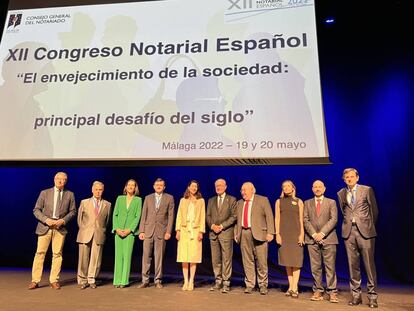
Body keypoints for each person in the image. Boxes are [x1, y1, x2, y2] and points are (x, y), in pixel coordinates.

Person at [337, 168, 379, 308]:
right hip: (349, 232)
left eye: (352, 176)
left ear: (357, 177)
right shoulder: (341, 193)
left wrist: (368, 226)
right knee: (352, 266)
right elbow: (344, 211)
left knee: (369, 265)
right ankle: (356, 296)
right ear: (344, 179)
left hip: (365, 232)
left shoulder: (366, 190)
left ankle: (372, 297)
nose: (349, 179)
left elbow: (374, 211)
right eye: (347, 177)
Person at [28, 172, 76, 290]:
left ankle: (54, 280)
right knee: (40, 253)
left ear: (66, 181)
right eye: (58, 179)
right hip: (45, 226)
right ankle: (35, 280)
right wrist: (46, 220)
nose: (60, 181)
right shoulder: (44, 193)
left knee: (57, 254)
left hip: (60, 228)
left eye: (63, 179)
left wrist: (63, 221)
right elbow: (36, 210)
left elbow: (73, 211)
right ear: (54, 179)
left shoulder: (70, 194)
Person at [235, 182, 274, 295]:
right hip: (244, 233)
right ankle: (250, 284)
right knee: (247, 261)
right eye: (242, 190)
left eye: (245, 190)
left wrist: (271, 232)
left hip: (260, 234)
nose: (243, 192)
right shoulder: (239, 203)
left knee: (261, 261)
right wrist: (236, 233)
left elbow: (269, 217)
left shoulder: (262, 200)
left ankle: (262, 285)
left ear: (253, 190)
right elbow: (237, 220)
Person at [304, 180, 339, 303]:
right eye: (315, 187)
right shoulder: (307, 203)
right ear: (312, 189)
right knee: (315, 267)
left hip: (328, 239)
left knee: (330, 267)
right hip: (312, 239)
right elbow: (305, 220)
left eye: (320, 187)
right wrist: (314, 235)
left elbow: (333, 219)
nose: (317, 189)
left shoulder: (331, 202)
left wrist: (322, 234)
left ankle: (332, 291)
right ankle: (318, 290)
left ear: (324, 189)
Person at [138, 178, 175, 289]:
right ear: (154, 186)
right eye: (157, 184)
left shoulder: (169, 198)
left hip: (161, 232)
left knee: (159, 257)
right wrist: (141, 231)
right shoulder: (148, 198)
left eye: (161, 185)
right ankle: (145, 280)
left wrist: (168, 231)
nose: (159, 186)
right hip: (148, 231)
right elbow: (143, 215)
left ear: (164, 187)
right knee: (146, 257)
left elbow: (171, 216)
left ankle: (158, 280)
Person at [76, 181, 112, 289]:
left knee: (96, 259)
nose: (98, 192)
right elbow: (79, 219)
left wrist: (101, 230)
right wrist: (84, 229)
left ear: (103, 191)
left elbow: (107, 221)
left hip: (99, 233)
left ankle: (91, 279)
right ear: (92, 190)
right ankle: (82, 280)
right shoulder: (84, 202)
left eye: (100, 190)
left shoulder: (107, 204)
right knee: (83, 258)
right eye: (96, 189)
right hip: (85, 233)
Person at [206, 178, 237, 293]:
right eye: (216, 186)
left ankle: (226, 283)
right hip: (213, 234)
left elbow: (234, 216)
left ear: (225, 187)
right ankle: (218, 282)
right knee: (216, 259)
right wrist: (213, 226)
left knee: (226, 259)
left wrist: (222, 226)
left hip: (226, 233)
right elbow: (207, 216)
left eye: (220, 185)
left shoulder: (232, 199)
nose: (218, 187)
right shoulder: (211, 200)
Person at [275, 180, 304, 298]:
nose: (286, 188)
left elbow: (302, 220)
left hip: (296, 234)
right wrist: (277, 234)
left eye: (288, 186)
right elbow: (277, 218)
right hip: (284, 234)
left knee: (296, 261)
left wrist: (302, 234)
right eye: (284, 186)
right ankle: (290, 286)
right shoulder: (279, 201)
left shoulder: (299, 201)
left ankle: (295, 287)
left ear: (293, 188)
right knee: (287, 261)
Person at [175, 180, 205, 291]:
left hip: (195, 230)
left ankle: (191, 280)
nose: (194, 188)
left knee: (193, 257)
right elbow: (178, 216)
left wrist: (201, 232)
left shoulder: (201, 201)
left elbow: (202, 216)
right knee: (184, 257)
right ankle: (185, 281)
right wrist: (177, 230)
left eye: (196, 186)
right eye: (192, 186)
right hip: (184, 229)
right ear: (188, 187)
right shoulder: (183, 200)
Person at [112, 179, 142, 288]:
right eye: (128, 185)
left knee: (127, 257)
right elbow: (115, 214)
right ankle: (117, 280)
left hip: (130, 233)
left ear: (135, 188)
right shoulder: (120, 199)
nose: (130, 187)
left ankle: (124, 281)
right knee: (118, 257)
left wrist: (130, 230)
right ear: (126, 187)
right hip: (118, 232)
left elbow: (137, 217)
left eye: (132, 185)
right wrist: (116, 229)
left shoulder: (138, 200)